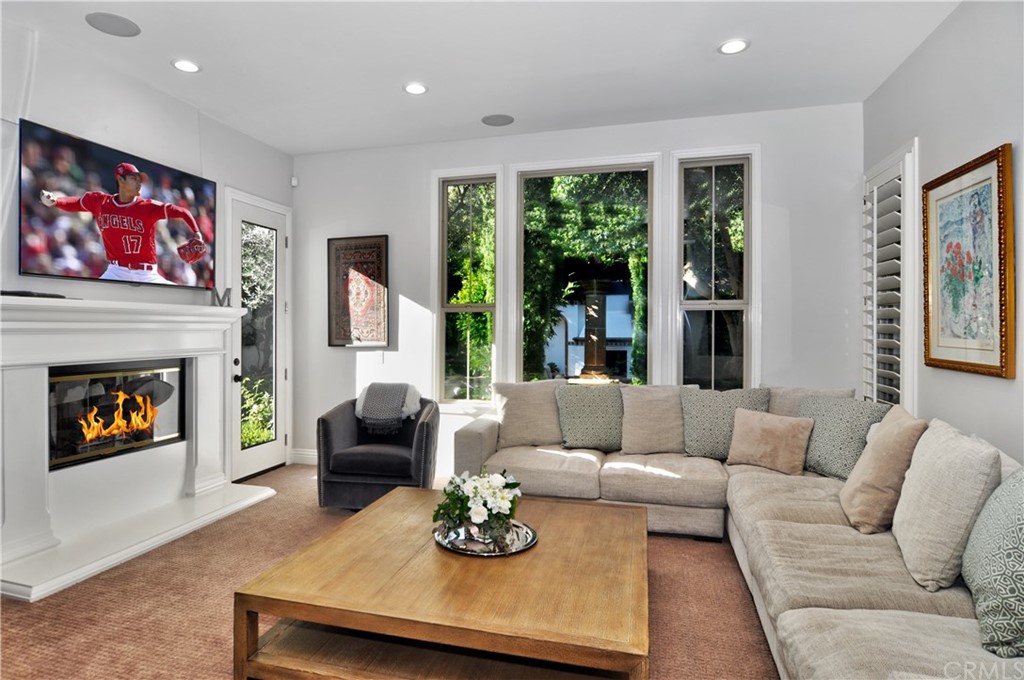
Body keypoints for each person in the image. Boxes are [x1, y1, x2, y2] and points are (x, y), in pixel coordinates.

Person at [39, 162, 206, 284]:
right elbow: (75, 203)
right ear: (120, 180)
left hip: (147, 274)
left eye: (140, 179)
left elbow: (183, 212)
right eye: (134, 179)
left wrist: (196, 233)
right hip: (116, 272)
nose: (139, 183)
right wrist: (56, 202)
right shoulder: (100, 202)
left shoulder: (147, 207)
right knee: (92, 302)